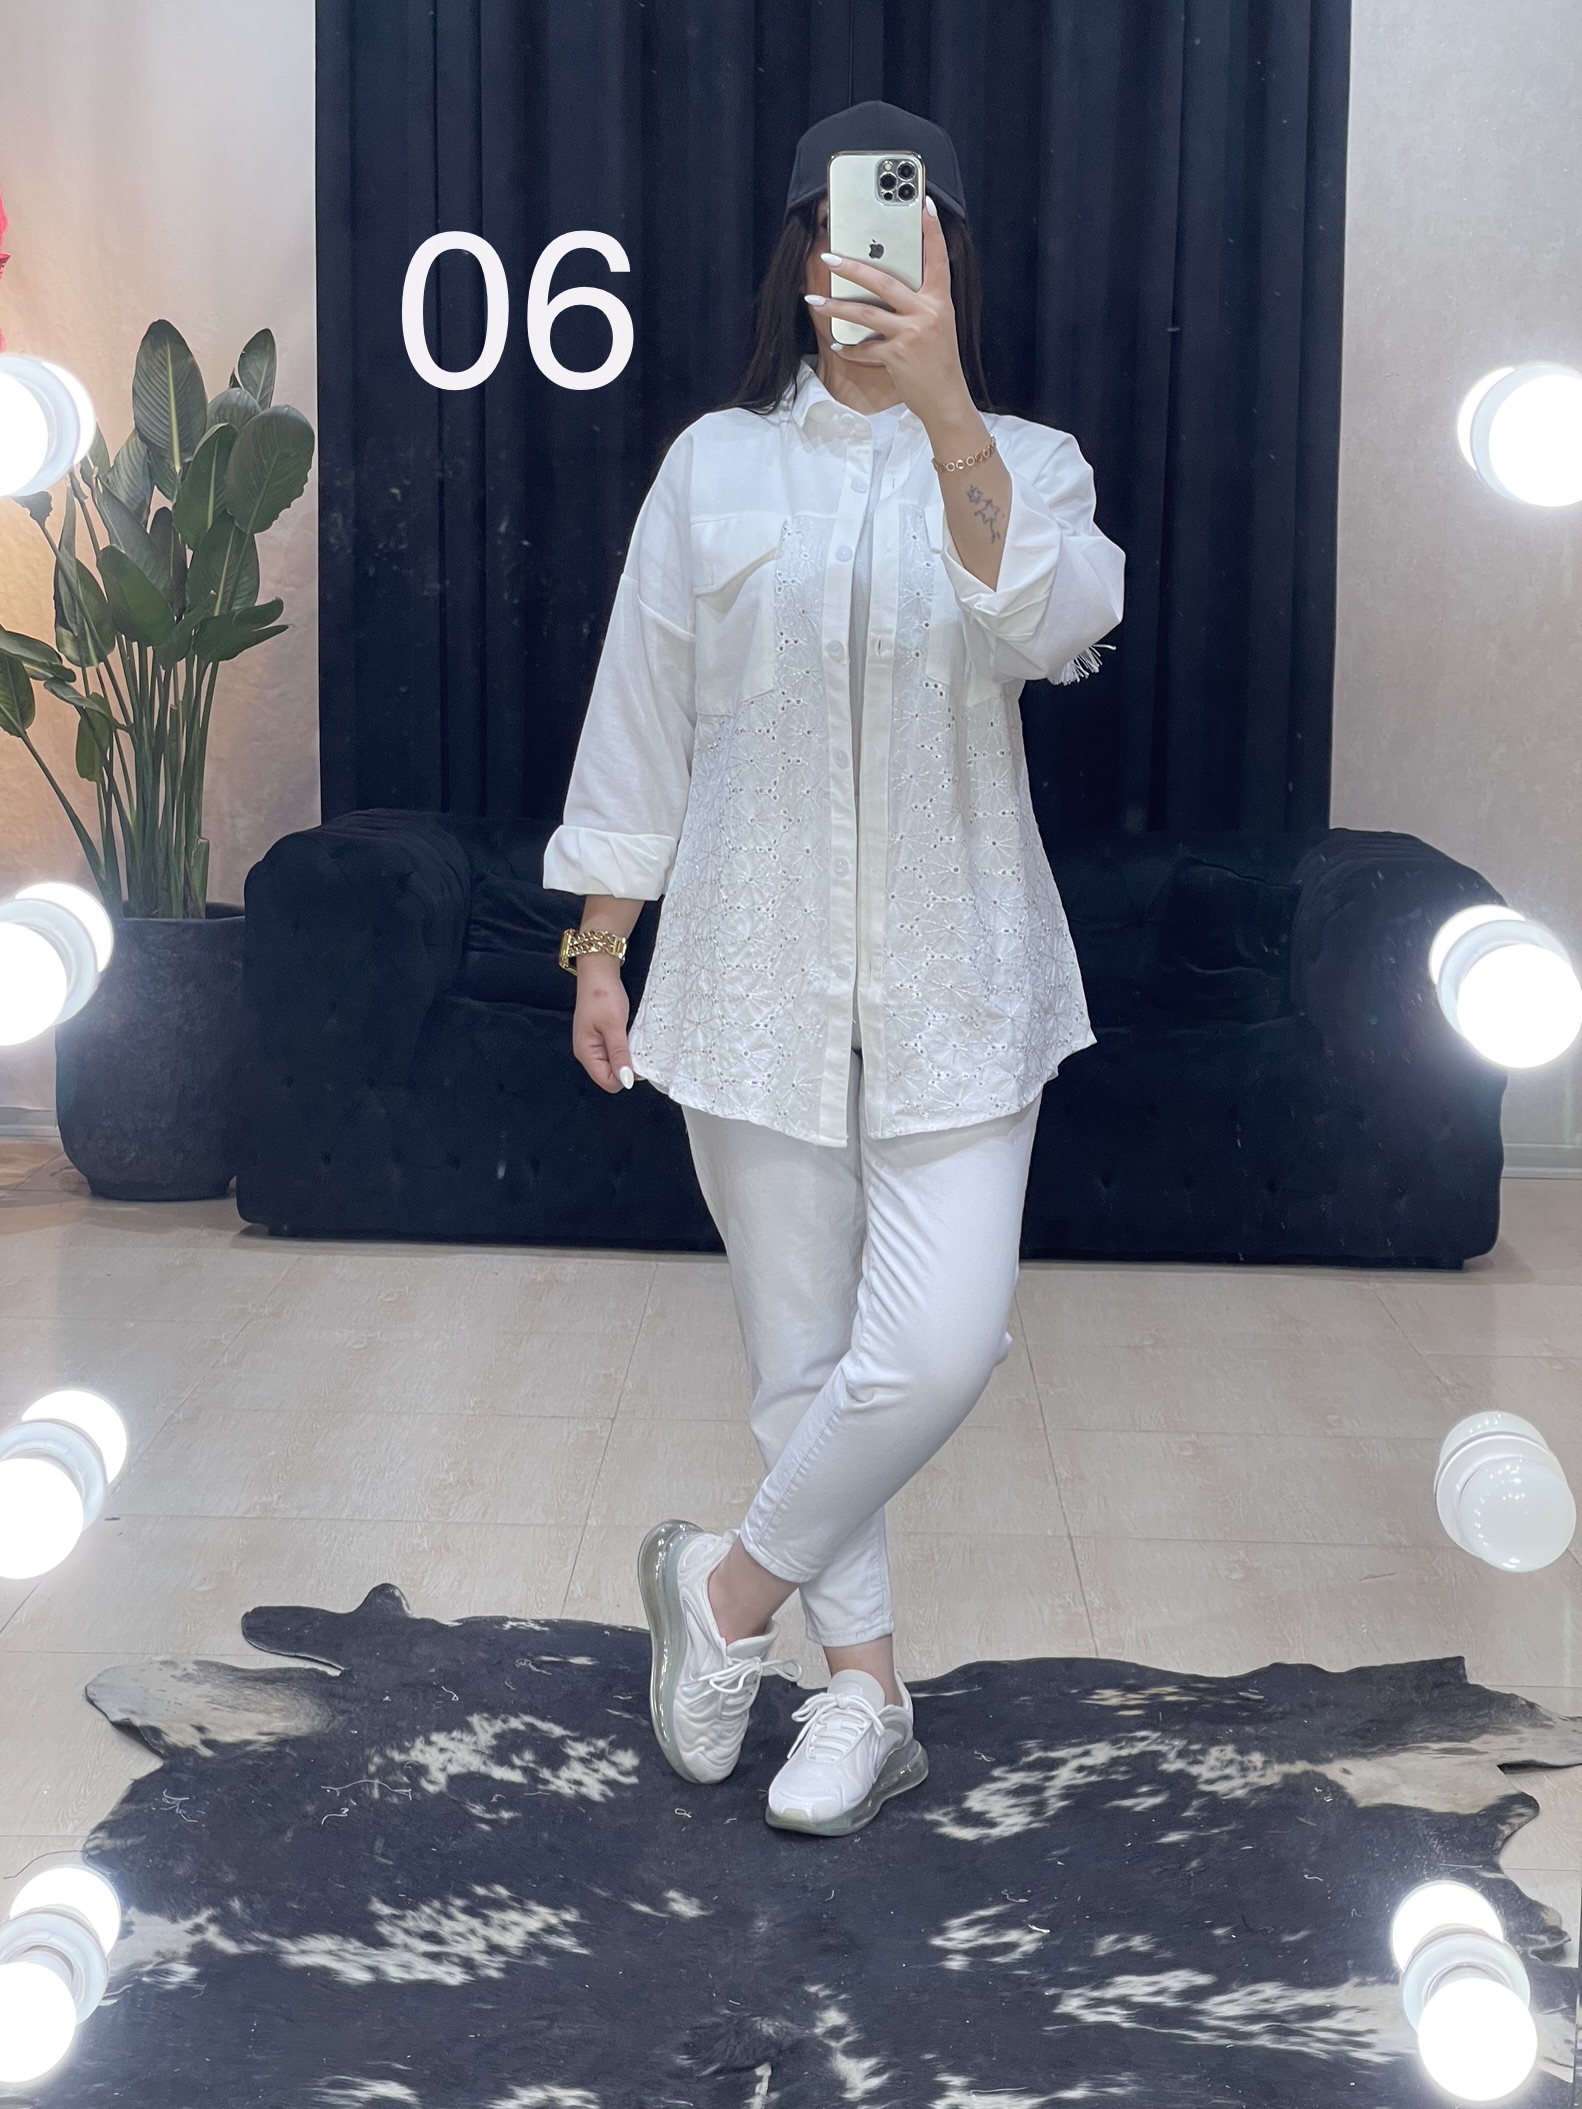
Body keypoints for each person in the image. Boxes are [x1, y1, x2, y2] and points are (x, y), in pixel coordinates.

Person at [543, 101, 1124, 1838]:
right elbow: (641, 713)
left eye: (903, 235)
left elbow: (1055, 621)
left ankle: (719, 1593)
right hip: (749, 973)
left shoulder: (1027, 462)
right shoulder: (713, 466)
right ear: (799, 261)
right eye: (839, 236)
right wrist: (599, 946)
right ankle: (864, 1691)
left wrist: (947, 416)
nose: (864, 266)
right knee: (801, 1362)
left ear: (949, 260)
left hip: (962, 980)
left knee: (935, 1346)